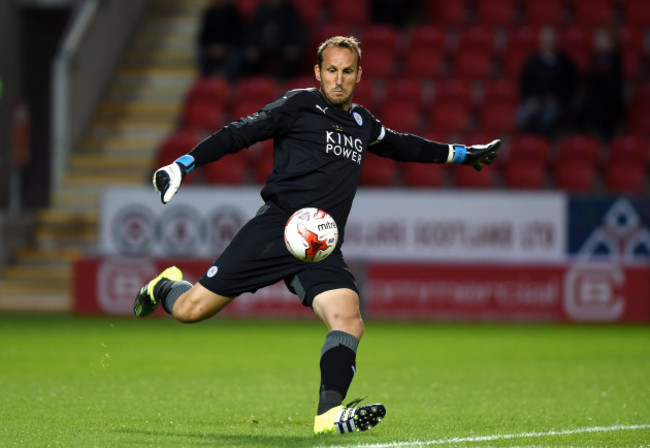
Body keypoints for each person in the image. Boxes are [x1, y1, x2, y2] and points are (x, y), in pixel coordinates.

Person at [133, 36, 500, 435]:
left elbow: (403, 146)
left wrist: (463, 154)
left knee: (348, 319)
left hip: (320, 245)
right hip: (277, 228)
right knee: (191, 311)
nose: (338, 80)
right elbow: (239, 132)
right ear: (318, 73)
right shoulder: (298, 105)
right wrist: (184, 164)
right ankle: (166, 286)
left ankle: (328, 415)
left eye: (346, 71)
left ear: (359, 75)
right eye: (331, 71)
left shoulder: (363, 124)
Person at [516, 27, 577, 138]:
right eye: (546, 39)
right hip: (534, 101)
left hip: (555, 103)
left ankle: (545, 147)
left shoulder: (565, 63)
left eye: (551, 39)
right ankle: (527, 143)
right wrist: (531, 99)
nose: (549, 42)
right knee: (523, 117)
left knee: (548, 117)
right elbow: (524, 85)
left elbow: (570, 86)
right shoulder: (532, 62)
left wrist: (557, 99)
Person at [577, 27, 624, 141]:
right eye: (597, 39)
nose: (597, 42)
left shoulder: (615, 61)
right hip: (593, 101)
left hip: (608, 104)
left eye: (601, 39)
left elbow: (613, 89)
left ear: (611, 43)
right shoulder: (596, 58)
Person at [241, 0, 306, 77]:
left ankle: (290, 84)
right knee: (249, 58)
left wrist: (293, 46)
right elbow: (252, 31)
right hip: (261, 48)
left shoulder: (289, 11)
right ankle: (256, 84)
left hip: (283, 47)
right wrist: (251, 46)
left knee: (294, 58)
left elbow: (295, 31)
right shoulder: (259, 11)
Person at [197, 0, 244, 80]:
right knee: (201, 51)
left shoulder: (234, 14)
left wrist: (224, 47)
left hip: (228, 47)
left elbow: (237, 36)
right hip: (212, 47)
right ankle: (206, 80)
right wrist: (212, 47)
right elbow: (204, 36)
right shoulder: (210, 13)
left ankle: (230, 82)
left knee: (234, 55)